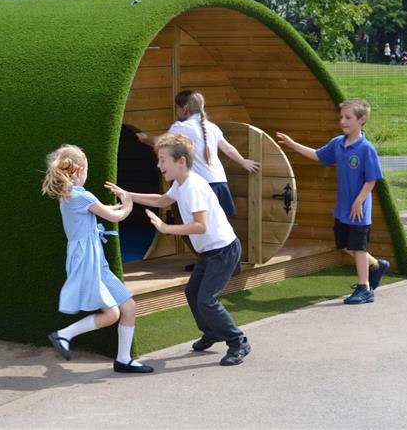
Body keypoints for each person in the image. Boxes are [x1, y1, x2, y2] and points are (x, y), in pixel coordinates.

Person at [107, 133, 251, 366]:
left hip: (223, 250)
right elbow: (162, 200)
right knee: (192, 293)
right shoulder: (181, 183)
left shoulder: (193, 187)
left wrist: (166, 228)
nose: (158, 164)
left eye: (163, 160)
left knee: (206, 300)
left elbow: (200, 225)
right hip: (211, 251)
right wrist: (127, 195)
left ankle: (238, 342)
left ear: (180, 161)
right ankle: (212, 332)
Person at [42, 144, 153, 374]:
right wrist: (128, 204)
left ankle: (123, 360)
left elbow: (101, 210)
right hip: (87, 261)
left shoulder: (71, 195)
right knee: (113, 313)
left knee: (128, 307)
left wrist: (120, 204)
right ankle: (64, 335)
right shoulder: (81, 195)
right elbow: (115, 216)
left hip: (94, 261)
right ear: (80, 170)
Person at [276, 99, 390, 305]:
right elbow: (318, 155)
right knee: (346, 245)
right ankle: (376, 265)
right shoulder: (337, 143)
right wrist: (292, 144)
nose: (343, 121)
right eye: (341, 117)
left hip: (358, 210)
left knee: (359, 246)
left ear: (361, 120)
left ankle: (365, 288)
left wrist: (359, 201)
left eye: (348, 118)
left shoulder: (366, 149)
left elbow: (372, 179)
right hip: (342, 208)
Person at [136, 90, 260, 271]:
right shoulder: (212, 127)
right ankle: (226, 263)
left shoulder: (180, 128)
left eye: (177, 108)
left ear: (184, 109)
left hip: (199, 185)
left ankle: (214, 263)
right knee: (219, 224)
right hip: (219, 181)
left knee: (195, 225)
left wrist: (143, 138)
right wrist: (243, 161)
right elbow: (228, 148)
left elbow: (159, 142)